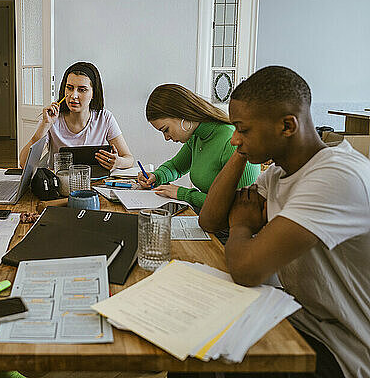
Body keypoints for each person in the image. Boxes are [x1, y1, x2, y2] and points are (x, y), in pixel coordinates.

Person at [199, 66, 370, 378]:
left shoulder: (335, 177)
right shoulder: (279, 172)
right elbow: (209, 219)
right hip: (302, 318)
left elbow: (247, 270)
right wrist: (243, 151)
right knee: (195, 350)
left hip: (345, 348)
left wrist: (240, 226)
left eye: (243, 129)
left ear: (287, 126)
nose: (234, 139)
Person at [137, 84, 260, 211]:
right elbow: (176, 167)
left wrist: (183, 194)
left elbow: (238, 205)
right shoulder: (196, 136)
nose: (166, 137)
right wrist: (156, 176)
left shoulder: (232, 142)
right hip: (206, 216)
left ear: (182, 115)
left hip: (228, 227)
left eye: (166, 130)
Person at [19, 61, 134, 170]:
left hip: (95, 182)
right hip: (60, 182)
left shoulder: (104, 117)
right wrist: (45, 125)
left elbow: (129, 159)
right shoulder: (52, 118)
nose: (73, 95)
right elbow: (24, 163)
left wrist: (117, 162)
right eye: (69, 88)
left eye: (82, 90)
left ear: (93, 93)